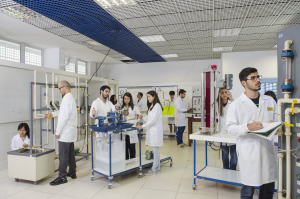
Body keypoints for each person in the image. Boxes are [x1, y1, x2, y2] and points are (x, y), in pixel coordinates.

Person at [226, 67, 278, 199]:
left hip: (268, 152)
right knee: (247, 192)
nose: (258, 80)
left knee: (268, 191)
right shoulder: (236, 105)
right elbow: (231, 128)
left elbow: (278, 120)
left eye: (258, 77)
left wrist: (274, 125)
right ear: (244, 82)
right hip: (249, 153)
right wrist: (247, 127)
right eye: (253, 78)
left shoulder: (269, 101)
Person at [45, 81, 77, 186]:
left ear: (65, 87)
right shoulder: (70, 98)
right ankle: (72, 172)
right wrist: (52, 114)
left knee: (63, 155)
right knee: (70, 153)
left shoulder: (67, 99)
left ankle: (62, 177)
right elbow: (62, 112)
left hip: (65, 132)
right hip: (70, 132)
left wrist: (57, 132)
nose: (59, 90)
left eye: (59, 88)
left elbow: (64, 117)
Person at [136, 91, 163, 175]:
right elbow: (149, 118)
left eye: (149, 97)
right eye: (147, 97)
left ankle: (154, 169)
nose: (147, 99)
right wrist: (142, 117)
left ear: (154, 96)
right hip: (152, 130)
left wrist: (142, 126)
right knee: (155, 149)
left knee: (155, 149)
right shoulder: (152, 106)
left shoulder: (157, 106)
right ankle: (157, 167)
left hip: (155, 131)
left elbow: (153, 120)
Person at [210, 88, 237, 170]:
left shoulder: (233, 103)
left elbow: (238, 112)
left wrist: (232, 98)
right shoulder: (216, 104)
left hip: (232, 132)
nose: (224, 94)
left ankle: (233, 171)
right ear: (219, 94)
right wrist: (208, 129)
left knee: (234, 154)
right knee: (225, 154)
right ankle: (226, 170)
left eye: (226, 92)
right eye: (222, 93)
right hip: (222, 132)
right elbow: (212, 117)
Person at [121, 92, 140, 159]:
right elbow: (120, 118)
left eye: (128, 99)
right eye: (125, 98)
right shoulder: (122, 108)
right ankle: (126, 163)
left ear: (130, 99)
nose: (126, 100)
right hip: (124, 130)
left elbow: (139, 118)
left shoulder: (134, 108)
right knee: (125, 147)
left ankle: (133, 164)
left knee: (132, 147)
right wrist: (123, 114)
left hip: (132, 129)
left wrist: (133, 122)